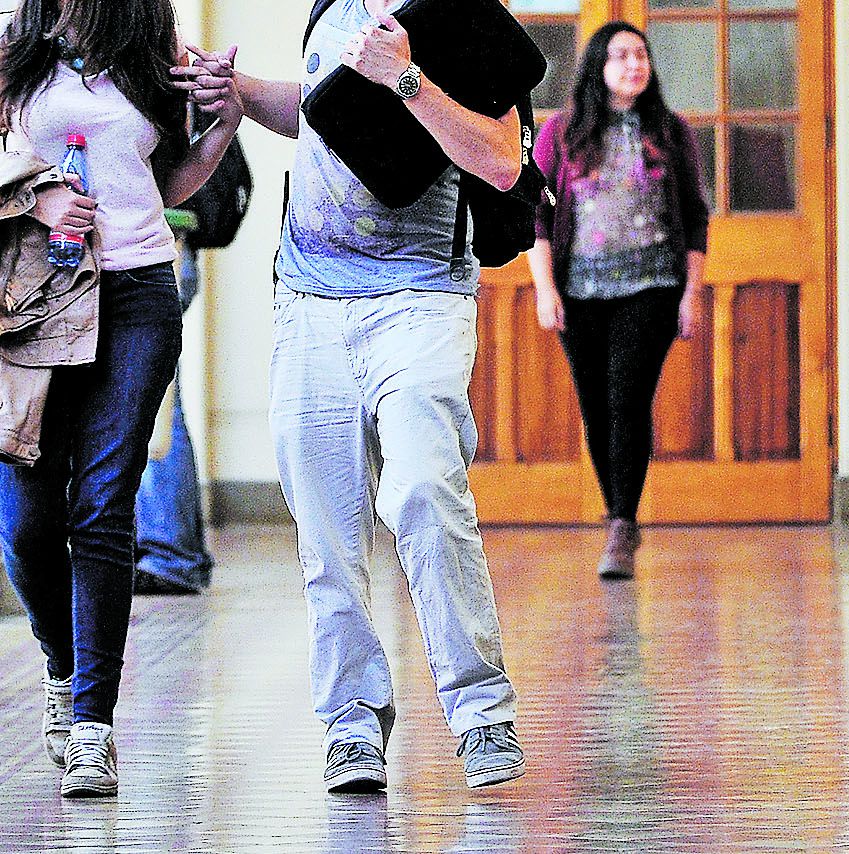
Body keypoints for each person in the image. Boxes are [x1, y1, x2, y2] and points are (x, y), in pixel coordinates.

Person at [174, 0, 526, 793]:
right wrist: (240, 92)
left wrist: (405, 77)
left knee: (426, 490)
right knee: (326, 528)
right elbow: (323, 113)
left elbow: (501, 161)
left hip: (421, 296)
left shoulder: (462, 17)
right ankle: (352, 724)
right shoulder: (331, 8)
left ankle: (480, 713)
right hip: (309, 301)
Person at [0, 0, 240, 797]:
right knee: (29, 522)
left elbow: (170, 177)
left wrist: (222, 123)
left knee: (103, 503)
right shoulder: (14, 50)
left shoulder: (152, 49)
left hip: (136, 289)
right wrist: (34, 200)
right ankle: (61, 664)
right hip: (37, 292)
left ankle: (93, 725)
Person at [528, 21, 708, 580]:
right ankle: (616, 514)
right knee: (596, 407)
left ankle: (623, 524)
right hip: (579, 293)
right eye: (621, 56)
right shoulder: (561, 133)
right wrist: (545, 289)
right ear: (597, 69)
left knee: (627, 399)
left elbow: (698, 219)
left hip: (652, 287)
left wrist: (691, 295)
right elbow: (535, 214)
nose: (634, 65)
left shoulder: (671, 132)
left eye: (641, 55)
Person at [133, 233, 213, 595]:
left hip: (150, 248)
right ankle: (176, 552)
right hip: (160, 247)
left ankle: (171, 554)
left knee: (151, 410)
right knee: (156, 407)